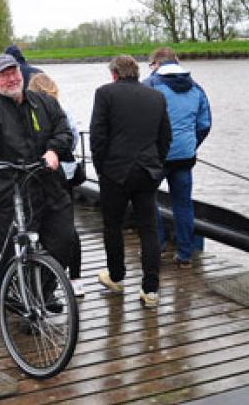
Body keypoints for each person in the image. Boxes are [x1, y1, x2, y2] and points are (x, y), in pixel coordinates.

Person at [0, 54, 77, 296]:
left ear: (21, 73)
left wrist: (54, 150)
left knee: (65, 241)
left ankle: (42, 293)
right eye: (3, 75)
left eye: (13, 72)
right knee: (15, 252)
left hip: (48, 186)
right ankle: (25, 298)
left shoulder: (44, 103)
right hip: (9, 192)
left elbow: (64, 130)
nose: (11, 78)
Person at [90, 55, 170, 309]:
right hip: (147, 171)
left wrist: (101, 168)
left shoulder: (105, 94)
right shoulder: (156, 97)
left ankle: (116, 277)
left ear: (114, 74)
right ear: (136, 73)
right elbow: (165, 137)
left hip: (115, 172)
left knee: (113, 225)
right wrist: (156, 164)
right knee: (148, 228)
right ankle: (151, 289)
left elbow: (98, 136)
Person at [144, 47, 212, 266]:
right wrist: (191, 145)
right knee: (183, 205)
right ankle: (185, 255)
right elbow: (204, 124)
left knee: (147, 198)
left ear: (156, 63)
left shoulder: (150, 86)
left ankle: (158, 246)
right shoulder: (196, 88)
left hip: (157, 156)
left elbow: (141, 121)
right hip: (185, 156)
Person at [27, 72, 85, 297]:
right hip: (65, 174)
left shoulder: (31, 113)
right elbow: (73, 139)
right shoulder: (63, 111)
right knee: (68, 227)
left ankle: (43, 282)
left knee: (42, 226)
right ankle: (76, 278)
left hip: (41, 174)